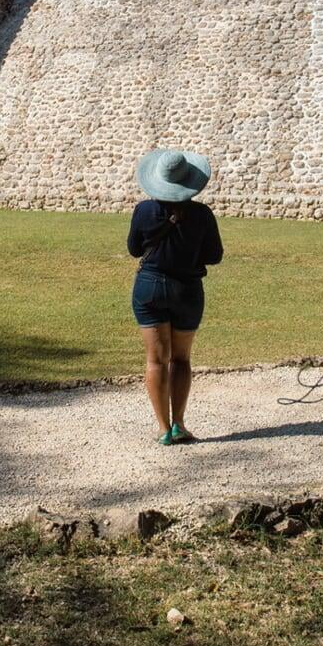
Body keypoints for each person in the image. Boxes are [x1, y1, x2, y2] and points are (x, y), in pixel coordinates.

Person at [127, 147, 224, 446]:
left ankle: (162, 428)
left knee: (156, 360)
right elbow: (214, 255)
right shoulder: (202, 215)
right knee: (180, 359)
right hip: (187, 289)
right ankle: (180, 423)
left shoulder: (144, 211)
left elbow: (134, 249)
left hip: (150, 286)